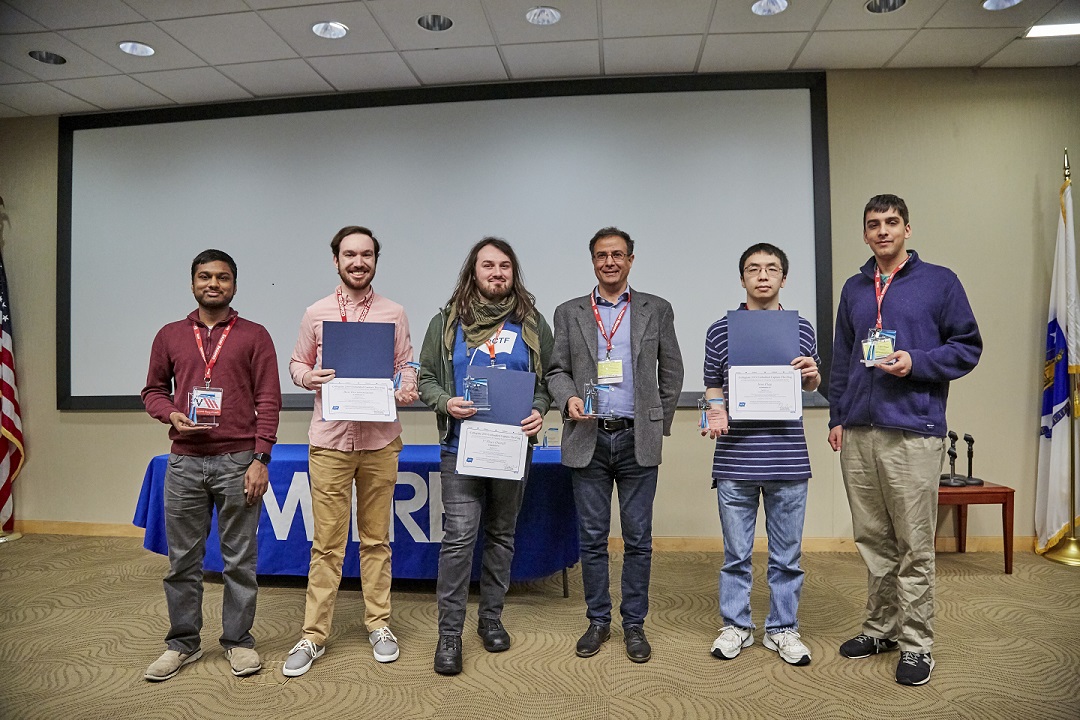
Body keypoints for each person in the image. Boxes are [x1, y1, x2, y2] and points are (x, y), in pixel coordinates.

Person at [829, 194, 982, 686]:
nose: (882, 231)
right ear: (865, 232)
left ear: (907, 229)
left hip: (913, 431)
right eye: (873, 224)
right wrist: (838, 415)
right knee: (872, 539)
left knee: (914, 544)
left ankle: (917, 644)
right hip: (858, 431)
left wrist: (916, 362)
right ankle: (881, 628)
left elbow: (967, 347)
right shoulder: (854, 288)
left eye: (891, 222)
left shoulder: (940, 282)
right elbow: (841, 357)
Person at [283, 226, 418, 677]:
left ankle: (378, 624)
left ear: (375, 259)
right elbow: (297, 363)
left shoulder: (394, 312)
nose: (358, 261)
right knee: (327, 545)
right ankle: (314, 635)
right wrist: (309, 378)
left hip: (380, 442)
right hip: (330, 443)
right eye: (349, 254)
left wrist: (406, 387)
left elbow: (406, 366)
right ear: (336, 260)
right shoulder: (316, 312)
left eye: (366, 254)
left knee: (377, 540)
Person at [141, 249, 281, 681]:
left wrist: (260, 458)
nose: (213, 284)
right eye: (205, 277)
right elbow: (152, 391)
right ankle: (182, 644)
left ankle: (238, 642)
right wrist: (171, 414)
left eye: (222, 277)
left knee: (239, 560)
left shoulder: (255, 335)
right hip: (184, 462)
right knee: (183, 561)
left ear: (234, 285)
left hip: (238, 461)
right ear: (193, 283)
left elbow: (268, 401)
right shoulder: (169, 335)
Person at [417, 237, 554, 676]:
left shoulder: (532, 323)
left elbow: (549, 380)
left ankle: (491, 618)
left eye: (505, 267)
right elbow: (427, 380)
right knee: (458, 539)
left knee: (501, 535)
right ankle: (449, 634)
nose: (497, 273)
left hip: (512, 450)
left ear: (514, 274)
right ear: (472, 272)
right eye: (488, 266)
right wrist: (445, 403)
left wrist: (539, 410)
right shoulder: (446, 322)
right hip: (461, 449)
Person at [546, 226, 683, 663]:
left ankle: (635, 625)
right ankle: (598, 620)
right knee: (591, 537)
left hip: (635, 438)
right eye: (602, 255)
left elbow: (672, 371)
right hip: (588, 437)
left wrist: (654, 422)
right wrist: (568, 398)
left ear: (630, 260)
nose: (610, 262)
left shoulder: (655, 309)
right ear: (593, 261)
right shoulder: (569, 312)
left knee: (639, 538)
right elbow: (556, 370)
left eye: (618, 255)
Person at [701, 243, 820, 667]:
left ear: (784, 278)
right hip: (735, 457)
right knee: (736, 554)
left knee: (787, 555)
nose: (763, 275)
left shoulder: (801, 327)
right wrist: (713, 413)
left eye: (772, 269)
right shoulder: (720, 330)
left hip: (787, 457)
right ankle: (736, 625)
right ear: (743, 278)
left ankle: (783, 629)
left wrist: (812, 374)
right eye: (754, 269)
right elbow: (712, 385)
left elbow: (810, 384)